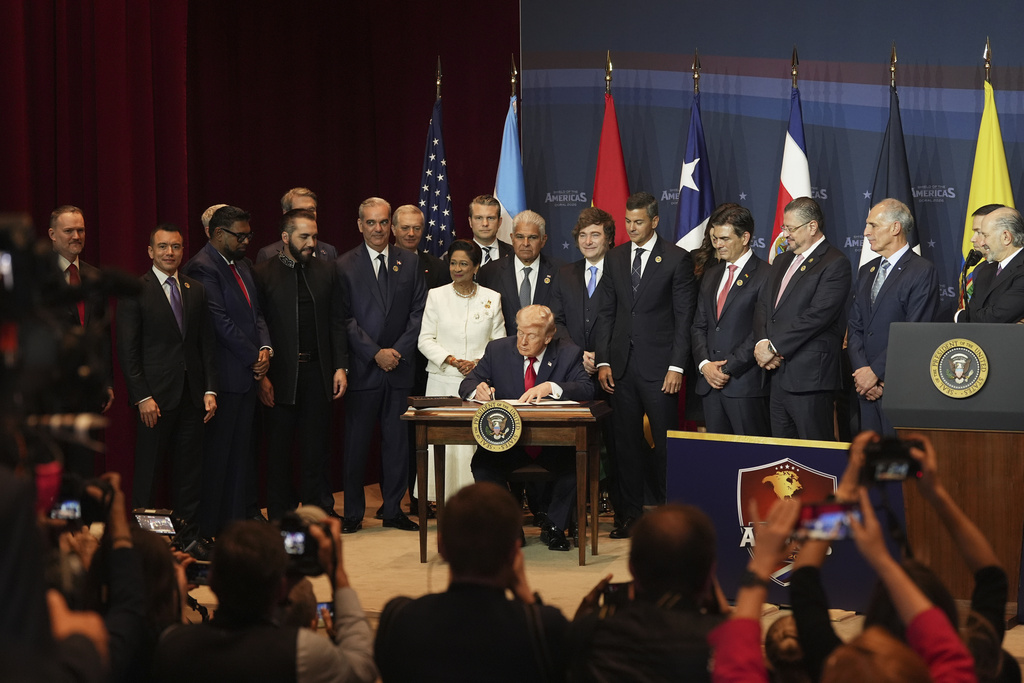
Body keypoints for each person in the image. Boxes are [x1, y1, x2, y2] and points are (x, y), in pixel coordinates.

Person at [375, 482, 569, 681]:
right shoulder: (544, 629)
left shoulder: (398, 620)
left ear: (441, 546)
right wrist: (526, 595)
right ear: (514, 554)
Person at [152, 518, 377, 683]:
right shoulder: (303, 652)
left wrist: (174, 598)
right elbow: (363, 668)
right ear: (280, 589)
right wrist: (337, 573)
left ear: (210, 581)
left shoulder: (172, 645)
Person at [596, 191, 697, 539]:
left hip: (660, 370)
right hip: (621, 368)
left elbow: (684, 319)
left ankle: (672, 516)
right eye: (628, 222)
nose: (632, 227)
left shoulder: (676, 259)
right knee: (625, 445)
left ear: (654, 221)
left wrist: (677, 367)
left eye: (639, 222)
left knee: (666, 445)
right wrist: (605, 360)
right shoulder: (616, 257)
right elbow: (607, 312)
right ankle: (629, 515)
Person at [459, 305, 593, 550]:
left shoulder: (568, 353)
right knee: (483, 464)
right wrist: (476, 388)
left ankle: (554, 526)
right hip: (509, 442)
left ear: (548, 337)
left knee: (575, 464)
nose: (522, 340)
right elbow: (468, 382)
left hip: (551, 444)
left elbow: (586, 388)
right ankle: (510, 529)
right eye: (520, 332)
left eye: (531, 335)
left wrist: (551, 387)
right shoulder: (498, 349)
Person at [116, 224, 217, 530]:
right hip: (154, 401)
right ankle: (144, 540)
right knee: (149, 473)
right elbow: (127, 351)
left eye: (175, 246)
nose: (169, 252)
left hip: (192, 396)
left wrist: (210, 390)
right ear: (150, 251)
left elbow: (206, 347)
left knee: (189, 472)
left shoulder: (195, 290)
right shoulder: (134, 290)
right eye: (162, 247)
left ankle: (187, 533)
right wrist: (142, 396)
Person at [182, 205, 272, 536]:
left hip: (247, 377)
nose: (247, 240)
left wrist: (265, 350)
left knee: (241, 461)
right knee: (219, 461)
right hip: (224, 381)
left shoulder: (243, 265)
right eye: (241, 235)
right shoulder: (203, 268)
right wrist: (254, 358)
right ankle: (211, 531)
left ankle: (235, 528)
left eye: (249, 234)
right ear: (219, 234)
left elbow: (256, 314)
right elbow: (219, 322)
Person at [253, 209, 349, 521]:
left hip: (318, 374)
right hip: (279, 376)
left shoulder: (327, 270)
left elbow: (337, 322)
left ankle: (318, 511)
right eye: (303, 236)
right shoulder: (263, 273)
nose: (311, 242)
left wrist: (340, 367)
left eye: (314, 236)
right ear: (285, 238)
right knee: (279, 453)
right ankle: (281, 514)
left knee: (315, 451)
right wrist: (262, 378)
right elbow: (257, 324)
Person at [337, 197, 426, 534]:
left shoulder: (410, 262)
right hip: (363, 369)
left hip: (399, 370)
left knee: (397, 444)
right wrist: (375, 353)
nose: (377, 229)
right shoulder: (344, 265)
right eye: (370, 222)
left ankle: (393, 510)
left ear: (391, 224)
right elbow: (344, 319)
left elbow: (420, 314)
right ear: (360, 225)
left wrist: (396, 352)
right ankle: (353, 513)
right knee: (356, 445)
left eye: (383, 222)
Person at [567, 505, 727, 682]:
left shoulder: (594, 631)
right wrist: (726, 622)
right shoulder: (723, 645)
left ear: (631, 569)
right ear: (709, 574)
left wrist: (581, 625)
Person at [753, 196, 851, 441]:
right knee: (782, 456)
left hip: (810, 378)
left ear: (812, 227)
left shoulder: (835, 263)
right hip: (776, 375)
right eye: (784, 228)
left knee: (814, 455)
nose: (785, 234)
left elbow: (818, 316)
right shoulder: (783, 259)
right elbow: (764, 305)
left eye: (790, 228)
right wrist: (761, 344)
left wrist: (774, 348)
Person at [417, 238, 504, 500]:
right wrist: (453, 360)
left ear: (476, 267)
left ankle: (476, 501)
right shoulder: (436, 295)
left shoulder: (492, 297)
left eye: (463, 264)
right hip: (442, 380)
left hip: (478, 384)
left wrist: (477, 363)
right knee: (444, 445)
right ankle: (440, 502)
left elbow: (499, 342)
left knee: (472, 447)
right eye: (453, 263)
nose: (457, 269)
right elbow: (424, 339)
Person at [848, 200, 938, 434]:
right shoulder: (866, 271)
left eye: (873, 225)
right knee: (871, 460)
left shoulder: (921, 270)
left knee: (897, 463)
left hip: (898, 385)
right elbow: (856, 328)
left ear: (895, 228)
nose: (866, 232)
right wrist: (863, 373)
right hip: (865, 389)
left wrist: (875, 373)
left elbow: (914, 332)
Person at [550, 207, 616, 516]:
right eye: (583, 235)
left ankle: (611, 496)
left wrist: (602, 357)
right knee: (572, 441)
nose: (588, 241)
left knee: (613, 439)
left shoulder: (621, 269)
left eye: (595, 235)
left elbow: (625, 321)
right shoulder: (565, 273)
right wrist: (580, 355)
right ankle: (574, 503)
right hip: (572, 368)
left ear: (608, 238)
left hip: (613, 369)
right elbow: (557, 320)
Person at [691, 204, 771, 437]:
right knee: (719, 461)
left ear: (745, 237)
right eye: (715, 238)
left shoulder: (766, 275)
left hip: (744, 385)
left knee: (751, 463)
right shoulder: (712, 274)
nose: (718, 244)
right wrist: (705, 365)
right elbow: (699, 325)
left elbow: (761, 331)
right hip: (709, 384)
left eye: (725, 238)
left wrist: (727, 368)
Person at [49, 205, 115, 476]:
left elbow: (103, 336)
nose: (76, 235)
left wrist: (107, 382)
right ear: (53, 234)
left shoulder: (94, 277)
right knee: (54, 467)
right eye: (69, 231)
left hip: (87, 394)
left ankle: (80, 519)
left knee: (83, 468)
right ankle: (57, 520)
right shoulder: (40, 278)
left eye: (81, 230)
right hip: (51, 395)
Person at [477, 209, 560, 336]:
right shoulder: (489, 272)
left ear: (543, 240)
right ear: (512, 238)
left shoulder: (560, 272)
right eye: (520, 237)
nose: (525, 243)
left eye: (532, 237)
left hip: (547, 350)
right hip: (504, 350)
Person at [956, 206, 1024, 323]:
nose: (982, 243)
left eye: (985, 236)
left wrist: (960, 316)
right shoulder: (985, 271)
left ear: (1006, 237)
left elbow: (996, 317)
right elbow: (975, 312)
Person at [256, 187, 338, 263]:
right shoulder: (268, 254)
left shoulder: (329, 251)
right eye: (301, 210)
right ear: (286, 213)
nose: (308, 214)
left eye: (311, 209)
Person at [392, 204, 450, 289]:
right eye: (405, 228)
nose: (411, 233)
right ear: (394, 230)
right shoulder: (383, 262)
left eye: (417, 228)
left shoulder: (438, 267)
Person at [465, 194, 513, 264]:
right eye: (479, 218)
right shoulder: (455, 256)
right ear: (470, 222)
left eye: (490, 218)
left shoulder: (514, 254)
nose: (485, 224)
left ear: (499, 222)